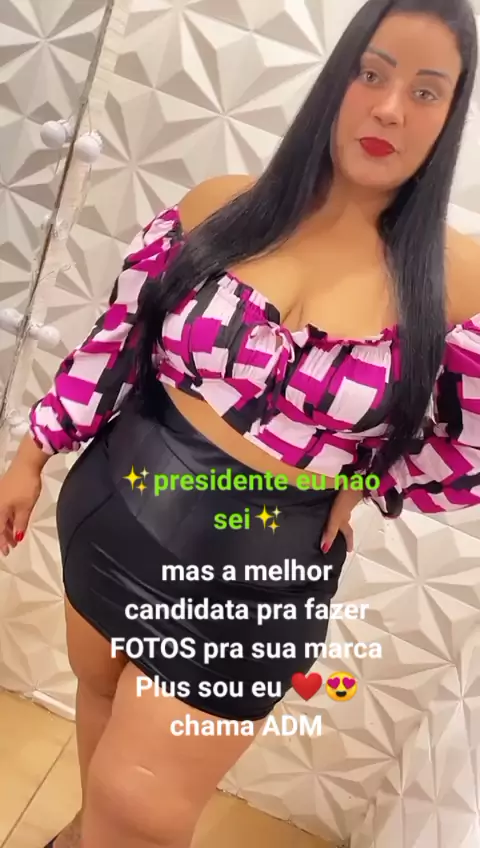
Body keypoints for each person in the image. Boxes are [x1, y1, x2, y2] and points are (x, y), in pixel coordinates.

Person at [1, 0, 480, 845]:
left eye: (425, 90)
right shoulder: (220, 206)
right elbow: (119, 340)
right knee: (99, 710)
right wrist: (33, 450)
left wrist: (366, 479)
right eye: (370, 74)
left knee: (140, 809)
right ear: (336, 80)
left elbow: (464, 441)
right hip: (115, 501)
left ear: (451, 113)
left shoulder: (460, 281)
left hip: (256, 571)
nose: (388, 109)